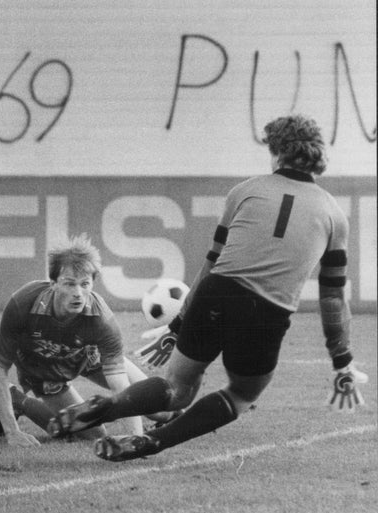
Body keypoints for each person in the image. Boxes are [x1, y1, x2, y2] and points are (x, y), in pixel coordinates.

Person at [50, 115, 366, 461]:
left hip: (217, 292)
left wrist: (177, 326)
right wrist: (342, 362)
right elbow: (333, 297)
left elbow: (211, 264)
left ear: (276, 153)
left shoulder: (243, 191)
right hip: (266, 311)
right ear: (317, 156)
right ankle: (153, 442)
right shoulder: (335, 215)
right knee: (242, 394)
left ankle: (109, 405)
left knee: (176, 387)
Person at [0, 234, 179, 447]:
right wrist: (12, 432)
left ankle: (161, 416)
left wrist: (134, 442)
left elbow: (122, 389)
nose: (78, 293)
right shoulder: (23, 304)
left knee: (158, 409)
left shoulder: (102, 320)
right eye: (69, 284)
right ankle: (18, 400)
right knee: (93, 434)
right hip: (43, 366)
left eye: (84, 284)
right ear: (53, 283)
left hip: (89, 355)